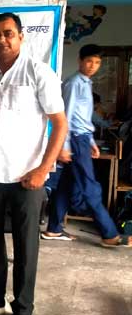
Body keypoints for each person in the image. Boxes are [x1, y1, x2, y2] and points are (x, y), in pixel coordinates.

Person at [0, 13, 67, 315]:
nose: (1, 39)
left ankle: (23, 310)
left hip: (27, 177)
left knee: (25, 247)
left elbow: (59, 124)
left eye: (8, 33)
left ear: (21, 36)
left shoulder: (39, 72)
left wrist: (43, 169)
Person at [41, 44, 131, 247]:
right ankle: (109, 233)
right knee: (90, 188)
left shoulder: (86, 83)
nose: (93, 66)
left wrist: (91, 141)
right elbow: (66, 115)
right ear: (81, 61)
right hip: (74, 139)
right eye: (89, 61)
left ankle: (54, 229)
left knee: (65, 186)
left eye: (98, 62)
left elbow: (85, 116)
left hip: (82, 139)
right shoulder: (74, 83)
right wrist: (63, 146)